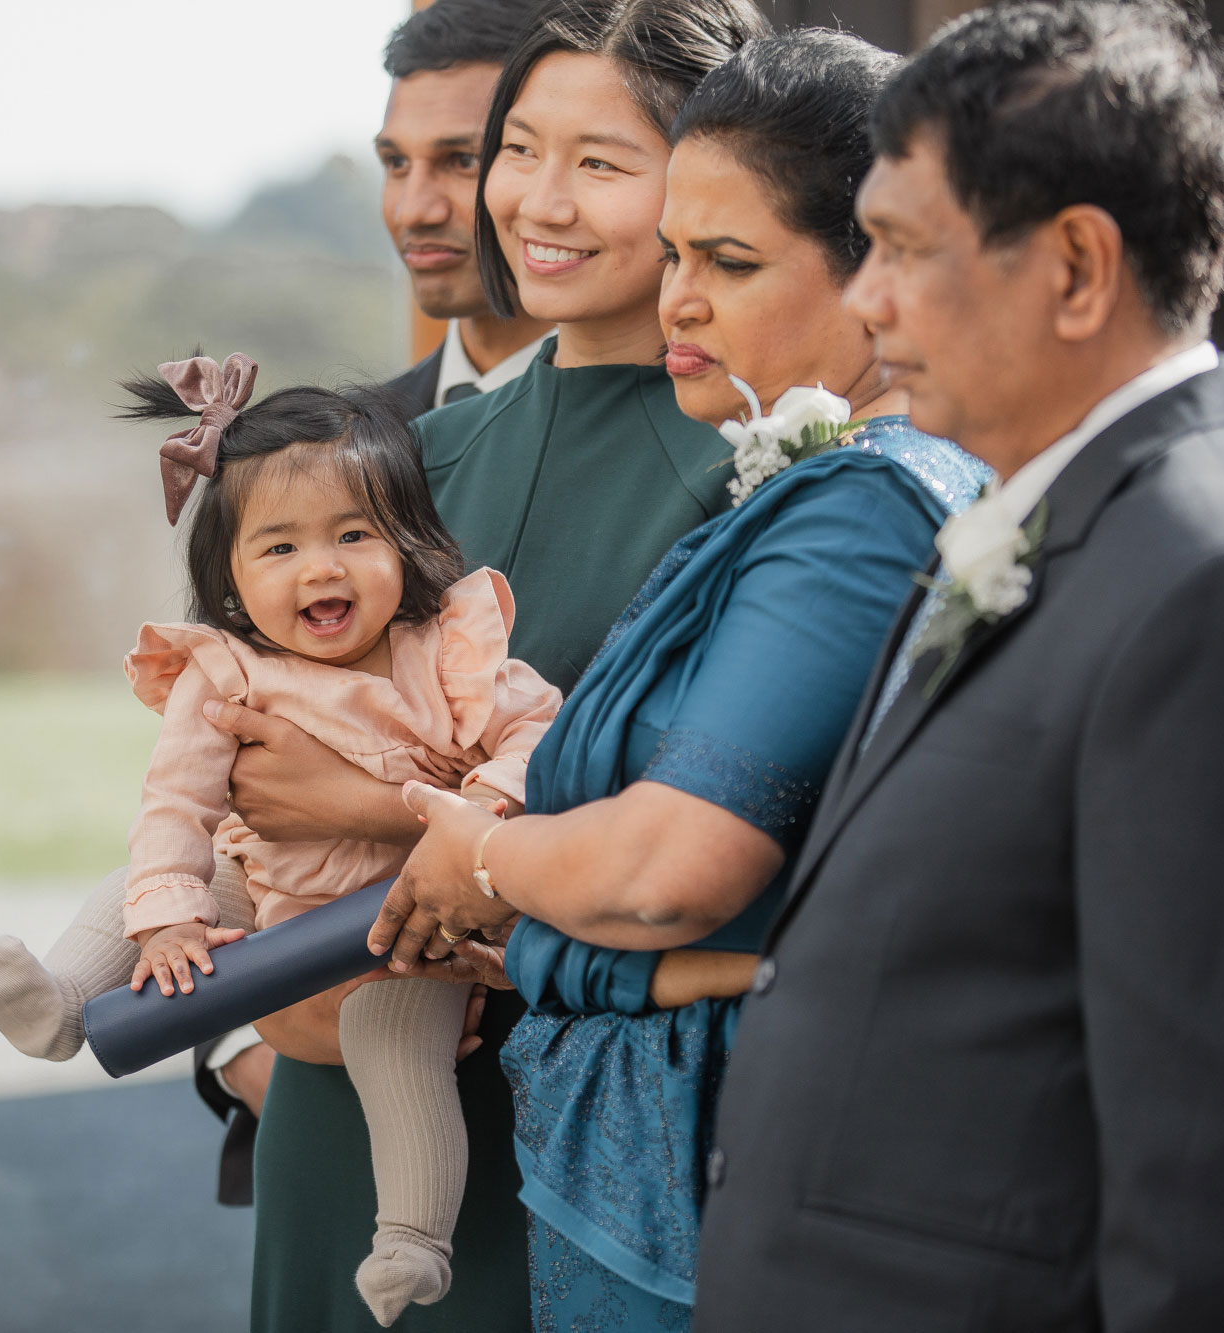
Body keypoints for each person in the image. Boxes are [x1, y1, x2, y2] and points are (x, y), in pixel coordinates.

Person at [687, 4, 1224, 1329]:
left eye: (898, 247)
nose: (866, 296)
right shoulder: (1049, 517)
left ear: (1075, 266)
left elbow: (1219, 1199)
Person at [362, 31, 988, 1331]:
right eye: (681, 256)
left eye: (730, 262)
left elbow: (682, 874)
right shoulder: (817, 485)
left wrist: (481, 862)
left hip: (726, 1167)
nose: (677, 302)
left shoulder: (862, 511)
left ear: (878, 274)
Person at [213, 3, 767, 1328]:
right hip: (340, 1117)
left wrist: (371, 811)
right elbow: (240, 766)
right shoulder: (411, 462)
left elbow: (700, 846)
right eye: (519, 150)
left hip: (583, 1141)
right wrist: (259, 1015)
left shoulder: (758, 480)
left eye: (599, 160)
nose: (536, 200)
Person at [0, 355, 564, 1325]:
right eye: (278, 548)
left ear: (407, 542)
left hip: (398, 916)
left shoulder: (444, 647)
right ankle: (61, 997)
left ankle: (412, 1236)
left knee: (395, 1037)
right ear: (232, 580)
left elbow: (541, 731)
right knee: (137, 883)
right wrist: (168, 920)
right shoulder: (226, 671)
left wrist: (483, 805)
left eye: (352, 535)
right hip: (266, 876)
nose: (320, 567)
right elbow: (175, 809)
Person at [376, 0, 553, 419]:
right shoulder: (350, 444)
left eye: (463, 160)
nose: (412, 212)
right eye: (396, 163)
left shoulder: (700, 434)